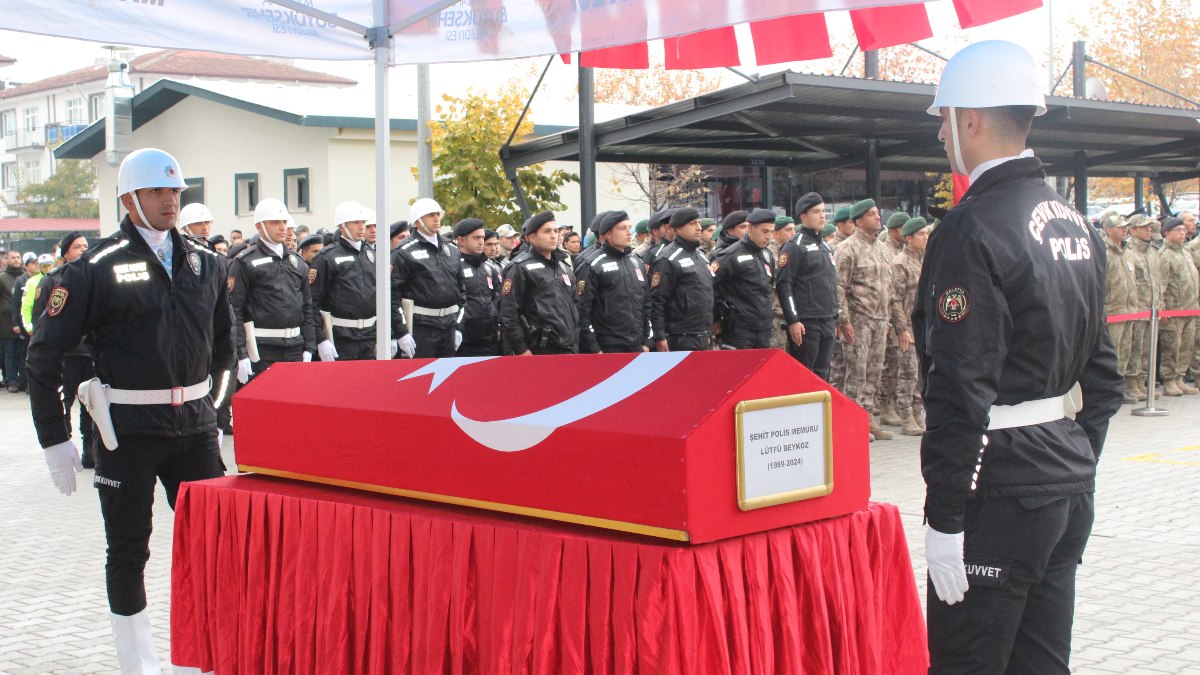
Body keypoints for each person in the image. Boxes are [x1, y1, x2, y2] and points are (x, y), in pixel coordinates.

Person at [915, 41, 1122, 674]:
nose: (943, 133)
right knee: (1040, 663)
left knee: (967, 663)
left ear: (969, 121)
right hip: (1063, 480)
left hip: (998, 491)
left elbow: (958, 387)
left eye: (944, 119)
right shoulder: (1075, 223)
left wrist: (945, 518)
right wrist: (1070, 457)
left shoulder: (971, 229)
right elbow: (1106, 382)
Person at [26, 148, 233, 673]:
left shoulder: (205, 263)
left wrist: (212, 402)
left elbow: (224, 345)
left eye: (176, 191)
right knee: (127, 549)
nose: (170, 200)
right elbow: (44, 355)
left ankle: (203, 657)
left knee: (215, 548)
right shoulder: (93, 268)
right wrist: (55, 438)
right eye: (159, 192)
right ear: (129, 198)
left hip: (196, 429)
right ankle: (138, 664)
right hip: (127, 432)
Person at [228, 198, 318, 385]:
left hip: (295, 347)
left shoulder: (297, 262)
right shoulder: (245, 262)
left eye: (284, 222)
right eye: (275, 222)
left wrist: (310, 346)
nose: (282, 227)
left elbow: (307, 307)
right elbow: (234, 310)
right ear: (260, 226)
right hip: (262, 350)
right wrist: (241, 354)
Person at [30, 232, 95, 467]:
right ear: (65, 253)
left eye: (86, 246)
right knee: (63, 403)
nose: (83, 250)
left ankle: (90, 450)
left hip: (91, 354)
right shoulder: (51, 281)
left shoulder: (95, 278)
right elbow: (41, 320)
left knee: (92, 406)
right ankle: (66, 445)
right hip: (66, 356)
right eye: (77, 247)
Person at [834, 198, 894, 441]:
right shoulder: (847, 248)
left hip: (880, 319)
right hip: (858, 319)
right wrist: (844, 321)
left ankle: (867, 420)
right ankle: (851, 421)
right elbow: (839, 287)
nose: (878, 217)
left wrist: (888, 318)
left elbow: (887, 286)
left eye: (877, 213)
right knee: (856, 373)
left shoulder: (881, 247)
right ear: (858, 221)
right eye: (871, 214)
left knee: (874, 372)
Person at [390, 198, 465, 359]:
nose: (437, 218)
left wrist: (459, 327)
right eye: (430, 215)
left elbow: (462, 292)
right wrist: (401, 332)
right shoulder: (403, 251)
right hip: (421, 327)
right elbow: (392, 296)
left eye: (438, 214)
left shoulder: (452, 249)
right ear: (417, 221)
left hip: (449, 327)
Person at [776, 192, 839, 381]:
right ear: (803, 217)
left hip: (827, 319)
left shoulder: (826, 247)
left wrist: (835, 316)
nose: (822, 216)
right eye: (816, 211)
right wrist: (793, 320)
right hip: (807, 323)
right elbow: (784, 285)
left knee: (823, 374)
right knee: (804, 376)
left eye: (824, 211)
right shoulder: (794, 246)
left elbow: (832, 285)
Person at [498, 211, 579, 355]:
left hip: (568, 347)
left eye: (556, 231)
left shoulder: (564, 267)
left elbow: (575, 305)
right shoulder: (520, 267)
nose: (554, 235)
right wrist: (521, 349)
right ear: (532, 237)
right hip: (538, 349)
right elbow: (508, 313)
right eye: (547, 231)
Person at [309, 201, 377, 362]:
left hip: (370, 335)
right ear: (342, 226)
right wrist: (321, 339)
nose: (361, 227)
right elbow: (312, 302)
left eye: (363, 222)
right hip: (341, 336)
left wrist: (393, 333)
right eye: (355, 222)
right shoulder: (327, 257)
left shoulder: (372, 254)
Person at [576, 211, 651, 354]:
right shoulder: (592, 264)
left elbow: (647, 303)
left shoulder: (636, 262)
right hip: (607, 346)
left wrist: (647, 340)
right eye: (623, 228)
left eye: (630, 227)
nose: (629, 232)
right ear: (607, 234)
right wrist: (594, 347)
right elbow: (582, 309)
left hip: (637, 345)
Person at [650, 207, 714, 352]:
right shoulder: (668, 258)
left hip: (703, 334)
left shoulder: (701, 256)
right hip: (680, 336)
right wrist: (659, 336)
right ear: (678, 228)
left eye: (699, 223)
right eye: (692, 224)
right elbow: (657, 301)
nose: (699, 228)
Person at [888, 217, 929, 436]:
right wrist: (901, 329)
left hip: (924, 327)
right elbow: (894, 299)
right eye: (921, 234)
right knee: (908, 373)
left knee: (920, 373)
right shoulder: (900, 262)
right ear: (909, 238)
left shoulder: (925, 260)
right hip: (908, 327)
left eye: (926, 233)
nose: (926, 237)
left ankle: (917, 412)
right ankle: (906, 416)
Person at [712, 208, 776, 349]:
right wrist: (716, 318)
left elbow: (768, 288)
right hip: (739, 329)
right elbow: (711, 287)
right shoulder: (731, 254)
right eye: (765, 231)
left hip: (763, 327)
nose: (769, 236)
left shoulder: (766, 255)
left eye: (771, 232)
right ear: (751, 229)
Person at [1098, 211, 1140, 402]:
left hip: (1129, 310)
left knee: (1125, 351)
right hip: (1113, 311)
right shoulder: (1102, 251)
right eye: (1120, 227)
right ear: (1108, 230)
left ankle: (1120, 388)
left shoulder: (1128, 251)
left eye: (1125, 227)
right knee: (1112, 352)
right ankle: (1108, 390)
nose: (1125, 230)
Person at [1158, 217, 1198, 395]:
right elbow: (1161, 285)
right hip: (1174, 310)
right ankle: (1169, 380)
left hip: (1190, 308)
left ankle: (1180, 377)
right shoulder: (1165, 255)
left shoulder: (1185, 252)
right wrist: (1162, 308)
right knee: (1172, 347)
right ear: (1167, 233)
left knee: (1186, 346)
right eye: (1178, 230)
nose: (1182, 233)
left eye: (1183, 230)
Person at [454, 218, 502, 356]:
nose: (481, 242)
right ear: (462, 240)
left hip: (489, 338)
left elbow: (497, 298)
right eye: (476, 238)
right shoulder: (454, 266)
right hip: (464, 339)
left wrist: (498, 325)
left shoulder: (487, 267)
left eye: (482, 237)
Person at [1125, 215, 1160, 400]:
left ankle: (1142, 382)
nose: (1149, 230)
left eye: (1149, 227)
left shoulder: (1152, 251)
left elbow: (1159, 280)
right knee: (1135, 348)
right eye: (1144, 227)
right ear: (1133, 230)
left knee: (1148, 348)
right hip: (1136, 308)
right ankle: (1131, 384)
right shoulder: (1129, 250)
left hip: (1152, 309)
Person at [8, 253, 39, 392]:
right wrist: (16, 323)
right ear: (26, 266)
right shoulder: (21, 281)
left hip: (39, 323)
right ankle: (25, 382)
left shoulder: (43, 278)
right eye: (32, 263)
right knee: (24, 354)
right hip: (25, 324)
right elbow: (16, 305)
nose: (36, 265)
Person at [1, 250, 22, 390]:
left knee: (21, 353)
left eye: (18, 257)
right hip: (6, 322)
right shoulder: (2, 278)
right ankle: (12, 381)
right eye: (13, 258)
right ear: (7, 260)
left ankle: (21, 380)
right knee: (9, 353)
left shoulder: (24, 277)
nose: (16, 260)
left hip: (22, 320)